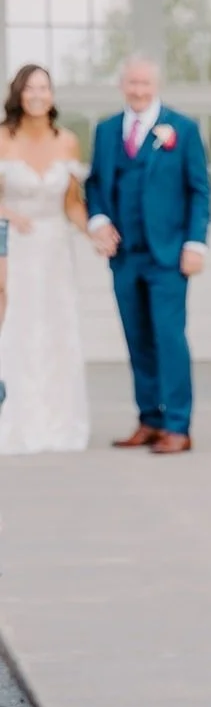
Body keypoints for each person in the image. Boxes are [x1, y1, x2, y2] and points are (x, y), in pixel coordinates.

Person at [85, 55, 211, 455]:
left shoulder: (183, 129)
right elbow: (95, 185)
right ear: (122, 84)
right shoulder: (106, 131)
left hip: (169, 256)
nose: (138, 90)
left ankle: (178, 424)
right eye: (131, 83)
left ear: (156, 85)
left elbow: (199, 190)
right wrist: (99, 220)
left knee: (169, 338)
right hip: (125, 256)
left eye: (145, 84)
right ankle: (149, 420)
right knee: (137, 338)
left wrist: (195, 243)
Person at [0, 64, 91, 456]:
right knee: (16, 331)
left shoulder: (67, 141)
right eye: (30, 88)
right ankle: (17, 422)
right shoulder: (2, 138)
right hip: (15, 250)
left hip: (54, 249)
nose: (38, 95)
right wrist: (6, 213)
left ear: (52, 95)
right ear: (18, 93)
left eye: (45, 88)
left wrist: (97, 231)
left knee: (57, 329)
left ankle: (58, 423)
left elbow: (72, 204)